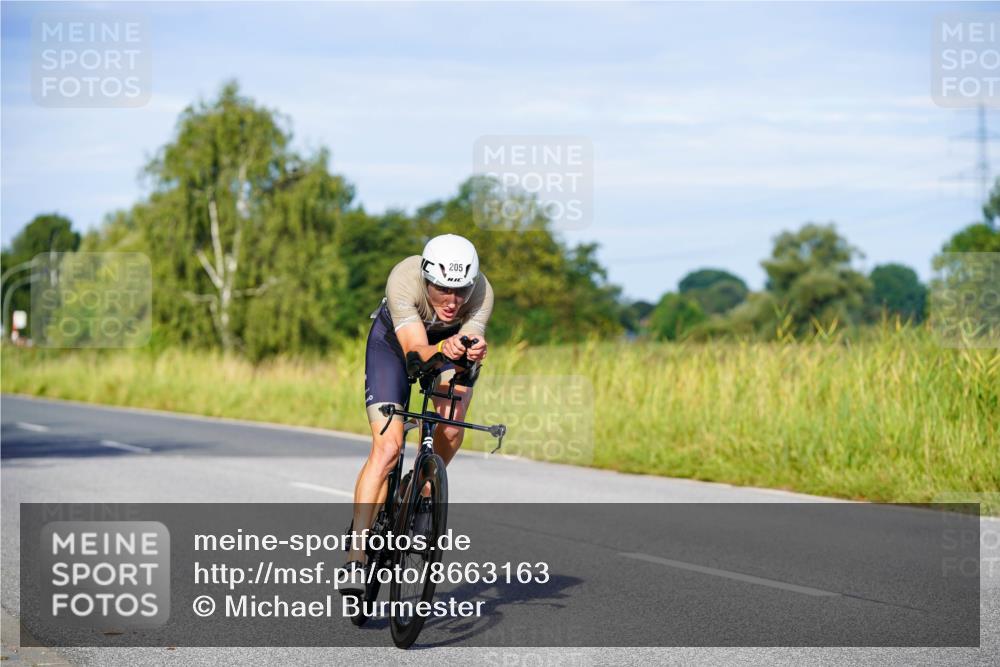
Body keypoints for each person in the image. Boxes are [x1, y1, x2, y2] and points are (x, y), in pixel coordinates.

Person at [343, 233, 493, 587]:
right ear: (426, 278)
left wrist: (472, 350)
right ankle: (356, 555)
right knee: (388, 448)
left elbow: (464, 349)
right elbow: (416, 352)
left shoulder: (483, 292)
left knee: (452, 429)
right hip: (395, 347)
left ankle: (423, 491)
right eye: (442, 289)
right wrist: (446, 346)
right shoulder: (403, 278)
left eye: (461, 291)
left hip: (448, 349)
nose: (452, 301)